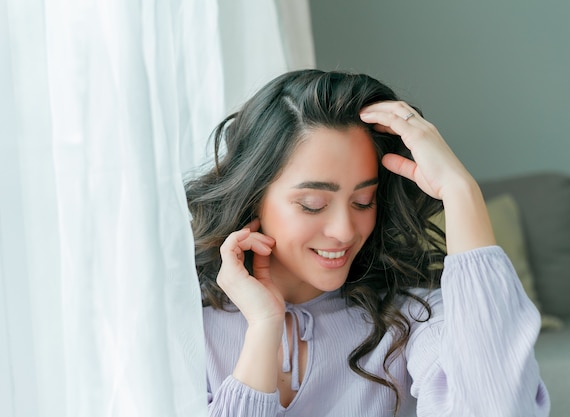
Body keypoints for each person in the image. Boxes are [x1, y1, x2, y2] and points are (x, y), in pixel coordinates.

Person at [185, 69, 550, 417]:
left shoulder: (411, 318)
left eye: (363, 202)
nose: (345, 231)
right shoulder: (186, 323)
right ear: (254, 197)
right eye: (313, 204)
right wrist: (265, 327)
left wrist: (460, 190)